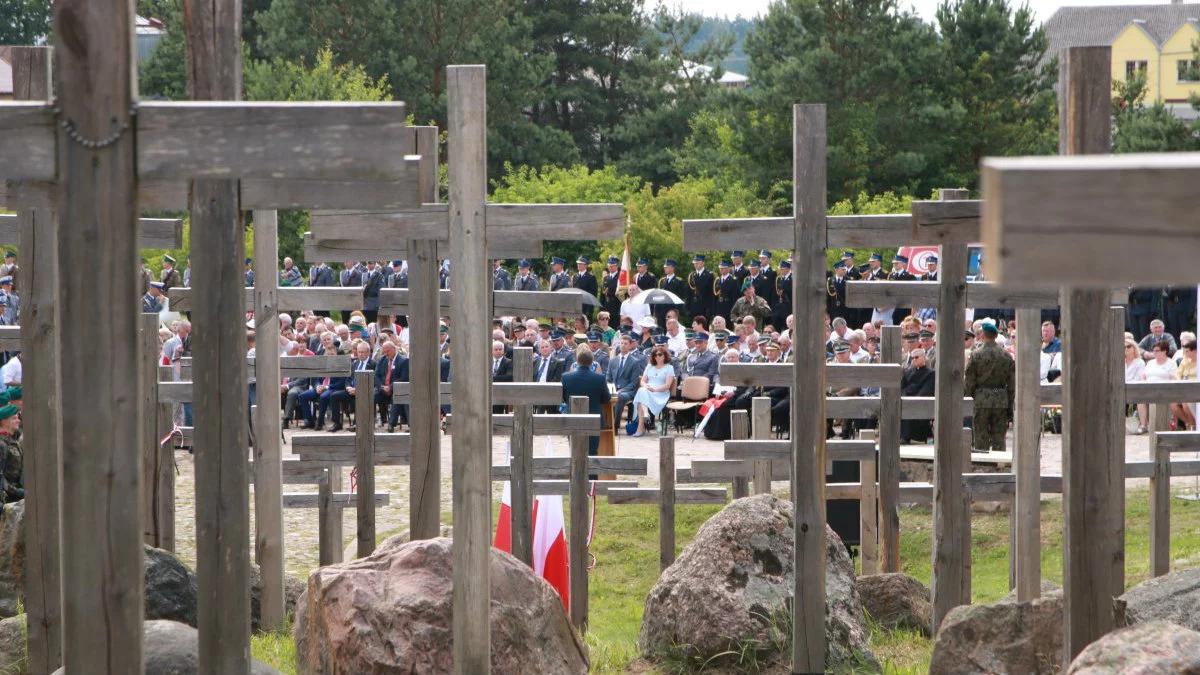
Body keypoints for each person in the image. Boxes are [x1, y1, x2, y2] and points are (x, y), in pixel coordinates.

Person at [964, 320, 1015, 452]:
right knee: (999, 436)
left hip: (981, 398)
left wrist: (968, 398)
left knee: (981, 435)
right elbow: (1011, 384)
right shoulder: (1006, 356)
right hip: (1000, 398)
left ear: (983, 335)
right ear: (995, 335)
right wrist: (1009, 403)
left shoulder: (975, 355)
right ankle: (999, 464)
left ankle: (983, 463)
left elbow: (970, 381)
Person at [561, 346, 611, 458]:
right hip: (593, 419)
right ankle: (592, 476)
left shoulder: (566, 377)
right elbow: (606, 398)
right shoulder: (600, 378)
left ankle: (575, 475)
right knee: (592, 452)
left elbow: (563, 398)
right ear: (592, 362)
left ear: (577, 361)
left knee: (574, 451)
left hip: (572, 418)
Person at [631, 346, 676, 437]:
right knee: (642, 390)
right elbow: (642, 381)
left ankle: (641, 428)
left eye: (660, 354)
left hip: (661, 392)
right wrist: (646, 386)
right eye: (655, 355)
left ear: (665, 356)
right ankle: (645, 415)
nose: (657, 357)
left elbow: (667, 386)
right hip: (647, 390)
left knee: (641, 397)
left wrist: (654, 389)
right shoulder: (649, 366)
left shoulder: (669, 368)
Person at [607, 332, 645, 429]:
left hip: (628, 391)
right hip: (613, 389)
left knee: (619, 396)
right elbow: (608, 378)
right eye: (621, 343)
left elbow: (634, 382)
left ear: (630, 345)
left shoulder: (635, 362)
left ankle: (615, 426)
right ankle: (605, 423)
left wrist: (621, 390)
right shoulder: (613, 361)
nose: (623, 345)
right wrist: (610, 388)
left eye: (625, 344)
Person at [900, 347, 935, 443]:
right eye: (912, 358)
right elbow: (901, 388)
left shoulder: (931, 373)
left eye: (916, 357)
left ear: (923, 358)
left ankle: (906, 437)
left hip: (920, 401)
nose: (914, 360)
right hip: (906, 399)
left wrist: (911, 398)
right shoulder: (908, 372)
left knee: (910, 406)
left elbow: (926, 390)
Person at [1125, 338, 1150, 434]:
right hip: (1122, 389)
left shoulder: (1139, 362)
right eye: (1123, 347)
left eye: (1128, 346)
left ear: (1134, 348)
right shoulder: (1119, 361)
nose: (1126, 349)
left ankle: (1143, 425)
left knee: (1140, 399)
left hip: (1135, 388)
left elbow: (1139, 379)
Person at [0, 405, 22, 504]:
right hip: (8, 499)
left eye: (18, 418)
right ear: (4, 421)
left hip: (15, 496)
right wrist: (16, 492)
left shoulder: (12, 440)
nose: (18, 421)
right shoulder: (2, 444)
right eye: (14, 418)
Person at [687, 254, 714, 320]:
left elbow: (711, 294)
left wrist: (710, 309)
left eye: (697, 263)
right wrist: (687, 307)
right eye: (694, 263)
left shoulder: (709, 275)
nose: (695, 265)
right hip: (693, 307)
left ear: (702, 263)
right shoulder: (692, 275)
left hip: (704, 308)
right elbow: (688, 293)